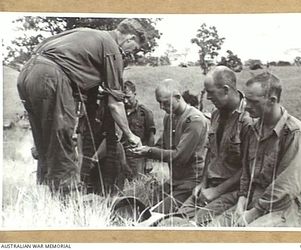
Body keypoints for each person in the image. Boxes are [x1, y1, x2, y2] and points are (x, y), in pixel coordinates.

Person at [17, 19, 147, 195]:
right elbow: (115, 103)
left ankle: (49, 194)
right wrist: (130, 135)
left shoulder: (87, 33)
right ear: (130, 39)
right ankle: (66, 198)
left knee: (45, 142)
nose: (131, 54)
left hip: (27, 74)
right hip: (51, 76)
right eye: (135, 49)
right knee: (63, 137)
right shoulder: (112, 48)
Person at [223, 72, 301, 227]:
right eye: (246, 100)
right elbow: (247, 173)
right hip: (252, 200)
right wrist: (242, 202)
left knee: (246, 237)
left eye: (253, 101)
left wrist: (253, 213)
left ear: (272, 100)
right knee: (212, 230)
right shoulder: (251, 129)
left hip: (281, 208)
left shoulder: (295, 133)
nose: (246, 106)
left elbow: (287, 186)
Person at [178, 66, 252, 225]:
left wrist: (216, 191)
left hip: (232, 192)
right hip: (208, 188)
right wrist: (202, 184)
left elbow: (248, 168)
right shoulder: (216, 114)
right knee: (175, 221)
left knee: (196, 226)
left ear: (225, 90)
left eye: (210, 92)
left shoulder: (248, 119)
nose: (208, 98)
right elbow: (211, 153)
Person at [131, 79, 208, 214]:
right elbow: (162, 144)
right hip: (174, 181)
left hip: (191, 183)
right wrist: (140, 148)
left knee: (156, 214)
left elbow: (179, 157)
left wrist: (148, 151)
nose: (162, 107)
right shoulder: (169, 118)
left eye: (165, 103)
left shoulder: (195, 120)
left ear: (178, 97)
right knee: (142, 204)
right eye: (159, 103)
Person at [122, 80, 156, 178]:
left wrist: (149, 160)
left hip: (138, 157)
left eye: (128, 97)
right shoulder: (119, 113)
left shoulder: (145, 113)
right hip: (121, 156)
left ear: (135, 94)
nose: (125, 101)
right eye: (123, 98)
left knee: (136, 184)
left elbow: (151, 137)